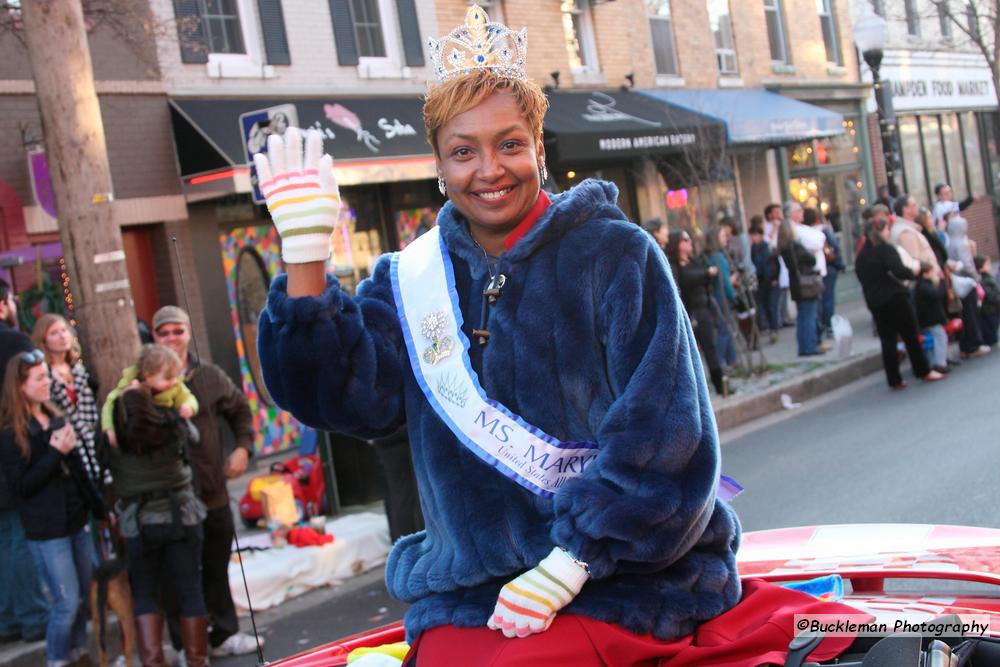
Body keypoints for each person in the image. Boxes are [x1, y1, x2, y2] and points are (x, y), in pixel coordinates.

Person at [256, 7, 741, 662]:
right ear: (438, 165)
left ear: (539, 147)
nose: (490, 169)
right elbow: (343, 399)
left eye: (509, 144)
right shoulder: (409, 279)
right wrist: (305, 257)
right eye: (463, 151)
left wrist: (575, 559)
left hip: (625, 583)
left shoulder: (616, 256)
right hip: (464, 593)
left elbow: (668, 435)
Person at [149, 306, 257, 658]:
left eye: (177, 331)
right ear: (154, 337)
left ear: (188, 333)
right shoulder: (144, 382)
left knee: (216, 564)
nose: (171, 339)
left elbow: (240, 409)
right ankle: (186, 645)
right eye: (163, 333)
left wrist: (242, 449)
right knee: (176, 575)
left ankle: (224, 633)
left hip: (212, 492)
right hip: (170, 499)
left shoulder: (209, 375)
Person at [0, 349, 111, 666]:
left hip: (76, 519)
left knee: (80, 599)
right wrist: (53, 452)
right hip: (47, 529)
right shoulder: (10, 433)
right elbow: (22, 486)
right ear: (20, 386)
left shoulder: (55, 414)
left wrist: (100, 509)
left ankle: (77, 654)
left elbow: (78, 469)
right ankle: (56, 659)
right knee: (65, 603)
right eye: (39, 378)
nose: (47, 382)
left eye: (46, 375)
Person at [106, 344, 209, 667]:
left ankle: (152, 661)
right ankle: (196, 660)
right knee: (190, 588)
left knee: (146, 593)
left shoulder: (115, 426)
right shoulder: (172, 420)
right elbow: (193, 438)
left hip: (138, 520)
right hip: (180, 512)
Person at [0, 281, 49, 646]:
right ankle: (31, 614)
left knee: (5, 536)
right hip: (16, 448)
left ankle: (7, 617)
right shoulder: (14, 344)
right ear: (3, 307)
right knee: (19, 535)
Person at [855, 213, 945, 389]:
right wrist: (916, 272)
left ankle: (894, 379)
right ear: (880, 231)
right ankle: (923, 370)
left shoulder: (861, 257)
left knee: (887, 340)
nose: (889, 232)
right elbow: (900, 271)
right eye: (887, 229)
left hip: (875, 301)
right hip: (895, 297)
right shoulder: (886, 250)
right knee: (910, 335)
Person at [32, 314, 105, 488]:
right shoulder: (45, 375)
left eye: (64, 330)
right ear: (43, 340)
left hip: (93, 440)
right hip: (68, 447)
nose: (62, 336)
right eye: (54, 333)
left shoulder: (79, 369)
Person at [667, 230, 727, 395]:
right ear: (677, 244)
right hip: (692, 312)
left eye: (689, 239)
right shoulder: (675, 265)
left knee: (710, 348)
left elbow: (703, 276)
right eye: (685, 240)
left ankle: (720, 385)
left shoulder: (693, 261)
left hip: (704, 308)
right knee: (691, 355)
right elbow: (684, 282)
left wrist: (707, 274)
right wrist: (705, 273)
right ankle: (696, 391)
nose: (689, 242)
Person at [100, 345, 199, 443]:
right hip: (142, 427)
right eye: (168, 378)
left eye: (176, 376)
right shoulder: (130, 384)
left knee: (192, 435)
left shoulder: (176, 386)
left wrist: (189, 406)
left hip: (166, 422)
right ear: (147, 375)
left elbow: (188, 397)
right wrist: (109, 428)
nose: (174, 381)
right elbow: (110, 403)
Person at [778, 216, 824, 356]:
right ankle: (809, 346)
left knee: (803, 316)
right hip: (805, 283)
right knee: (808, 316)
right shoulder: (795, 245)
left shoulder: (784, 247)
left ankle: (804, 346)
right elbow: (811, 259)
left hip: (796, 283)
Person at [946, 217, 990, 359]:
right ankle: (974, 345)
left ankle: (965, 346)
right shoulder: (962, 243)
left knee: (964, 315)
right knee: (971, 314)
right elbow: (967, 264)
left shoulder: (949, 242)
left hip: (956, 282)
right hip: (967, 282)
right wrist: (976, 277)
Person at [805, 208, 844, 338]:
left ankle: (822, 325)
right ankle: (828, 325)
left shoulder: (805, 233)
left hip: (814, 270)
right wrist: (839, 265)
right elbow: (835, 247)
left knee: (820, 300)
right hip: (827, 268)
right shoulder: (823, 230)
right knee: (827, 298)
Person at [706, 223, 738, 368]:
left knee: (727, 328)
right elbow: (724, 281)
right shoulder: (718, 257)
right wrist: (733, 295)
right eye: (723, 236)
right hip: (723, 297)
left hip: (719, 296)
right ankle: (718, 363)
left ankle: (732, 360)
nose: (726, 238)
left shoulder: (712, 256)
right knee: (725, 329)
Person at [914, 264, 950, 374]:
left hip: (927, 319)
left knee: (932, 341)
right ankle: (940, 363)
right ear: (926, 273)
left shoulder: (920, 286)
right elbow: (938, 294)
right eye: (931, 272)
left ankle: (934, 362)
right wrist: (943, 282)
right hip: (931, 319)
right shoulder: (925, 286)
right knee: (940, 338)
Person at [750, 218, 778, 344]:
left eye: (755, 235)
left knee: (771, 306)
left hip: (769, 280)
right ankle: (770, 327)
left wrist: (775, 277)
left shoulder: (766, 247)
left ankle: (774, 329)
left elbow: (774, 263)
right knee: (765, 306)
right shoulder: (753, 249)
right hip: (760, 281)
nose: (754, 238)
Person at [764, 203, 789, 329]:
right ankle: (778, 319)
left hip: (784, 261)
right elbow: (769, 243)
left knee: (784, 292)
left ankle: (784, 317)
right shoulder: (767, 227)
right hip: (775, 264)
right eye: (776, 211)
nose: (779, 213)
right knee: (777, 295)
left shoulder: (783, 225)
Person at [975, 255, 1000, 347]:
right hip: (990, 309)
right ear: (980, 268)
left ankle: (992, 340)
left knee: (994, 324)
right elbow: (990, 295)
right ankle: (991, 341)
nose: (990, 266)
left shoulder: (989, 277)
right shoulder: (984, 280)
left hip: (993, 308)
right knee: (991, 325)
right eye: (987, 264)